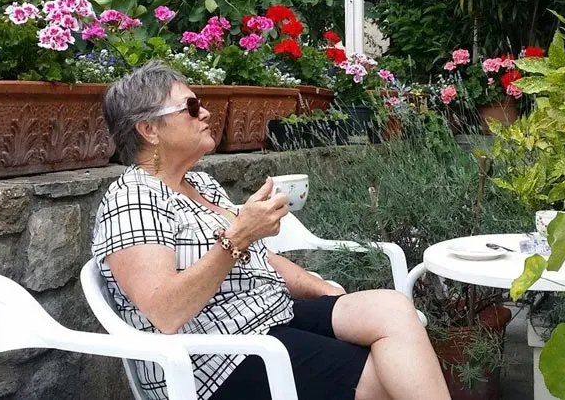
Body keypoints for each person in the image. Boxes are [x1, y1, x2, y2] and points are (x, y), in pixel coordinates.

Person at [92, 61, 451, 400]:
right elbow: (164, 311)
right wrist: (239, 236)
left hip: (271, 317)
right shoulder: (132, 198)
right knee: (390, 375)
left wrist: (324, 291)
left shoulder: (199, 184)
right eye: (190, 107)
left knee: (392, 308)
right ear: (149, 129)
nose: (204, 112)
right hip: (213, 360)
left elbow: (263, 259)